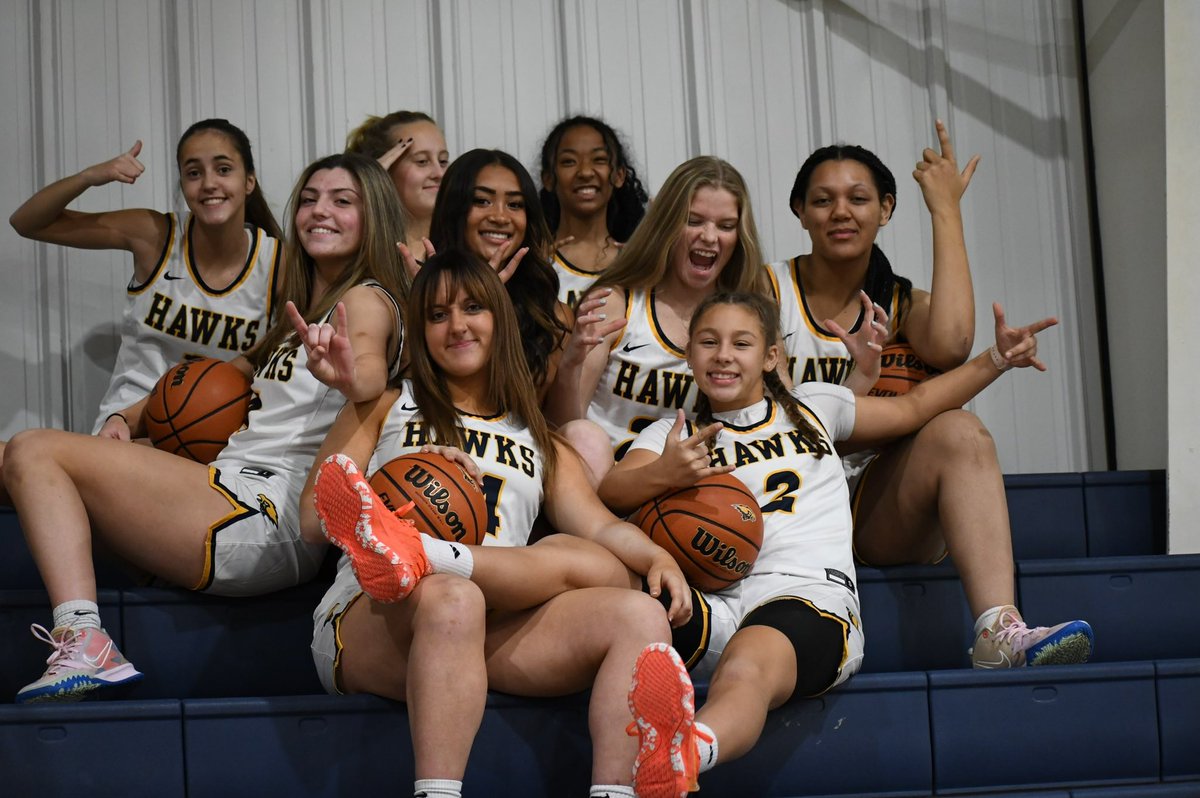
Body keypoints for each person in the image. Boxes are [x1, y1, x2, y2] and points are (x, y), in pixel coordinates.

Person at [599, 291, 1091, 798]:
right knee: (619, 598)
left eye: (741, 343)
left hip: (808, 599)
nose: (723, 354)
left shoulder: (815, 407)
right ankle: (616, 780)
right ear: (690, 353)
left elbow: (916, 406)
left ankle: (683, 754)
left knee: (748, 666)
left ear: (771, 356)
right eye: (709, 341)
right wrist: (663, 472)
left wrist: (996, 360)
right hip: (711, 601)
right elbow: (613, 491)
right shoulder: (672, 434)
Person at [4, 152, 409, 704]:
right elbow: (228, 374)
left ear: (376, 217)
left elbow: (367, 375)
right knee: (11, 456)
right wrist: (128, 416)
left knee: (33, 449)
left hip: (264, 513)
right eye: (310, 199)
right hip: (230, 492)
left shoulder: (364, 300)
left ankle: (84, 638)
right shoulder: (302, 312)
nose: (320, 211)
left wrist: (348, 377)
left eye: (344, 201)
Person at [307, 251, 690, 798]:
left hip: (486, 620)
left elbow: (602, 527)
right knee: (453, 599)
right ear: (419, 331)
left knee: (637, 614)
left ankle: (616, 793)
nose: (457, 324)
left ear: (500, 320)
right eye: (437, 315)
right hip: (374, 619)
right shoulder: (387, 404)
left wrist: (658, 557)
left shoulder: (539, 436)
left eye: (473, 308)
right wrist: (398, 479)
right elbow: (310, 520)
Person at [770, 122, 1070, 668]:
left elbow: (954, 343)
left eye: (859, 199)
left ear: (885, 210)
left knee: (960, 430)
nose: (841, 211)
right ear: (799, 211)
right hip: (783, 503)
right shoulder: (765, 293)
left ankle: (999, 631)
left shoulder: (901, 302)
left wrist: (945, 209)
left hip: (871, 507)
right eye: (823, 200)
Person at [9, 118, 283, 434]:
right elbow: (27, 222)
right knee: (23, 451)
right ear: (183, 185)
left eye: (223, 169)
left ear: (249, 181)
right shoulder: (154, 235)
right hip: (127, 426)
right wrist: (89, 177)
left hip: (218, 436)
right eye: (194, 173)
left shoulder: (278, 263)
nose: (208, 183)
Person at [544, 156, 772, 482]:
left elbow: (782, 418)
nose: (709, 237)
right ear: (666, 222)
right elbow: (563, 430)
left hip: (698, 499)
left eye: (725, 226)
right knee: (582, 436)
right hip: (604, 488)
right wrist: (569, 366)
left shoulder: (751, 315)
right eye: (693, 221)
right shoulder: (616, 302)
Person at [425, 148, 571, 397]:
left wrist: (576, 364)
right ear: (453, 209)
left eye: (515, 204)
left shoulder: (553, 316)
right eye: (482, 201)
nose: (501, 217)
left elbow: (553, 423)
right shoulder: (418, 295)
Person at [536, 115, 648, 308]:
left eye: (599, 160)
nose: (585, 172)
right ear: (548, 179)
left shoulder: (640, 262)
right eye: (569, 162)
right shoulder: (536, 263)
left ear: (619, 175)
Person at [345, 110, 450, 258]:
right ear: (386, 171)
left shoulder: (466, 247)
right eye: (422, 161)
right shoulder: (360, 254)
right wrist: (371, 181)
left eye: (443, 161)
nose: (439, 173)